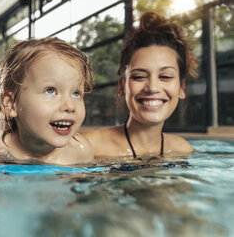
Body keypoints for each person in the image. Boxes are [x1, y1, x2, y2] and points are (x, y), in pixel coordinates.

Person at [82, 12, 198, 159]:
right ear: (122, 87)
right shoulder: (87, 147)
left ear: (182, 88)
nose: (152, 87)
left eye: (165, 76)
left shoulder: (182, 149)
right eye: (139, 77)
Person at [0, 37, 94, 165]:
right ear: (11, 104)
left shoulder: (80, 152)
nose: (70, 105)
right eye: (50, 91)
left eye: (76, 93)